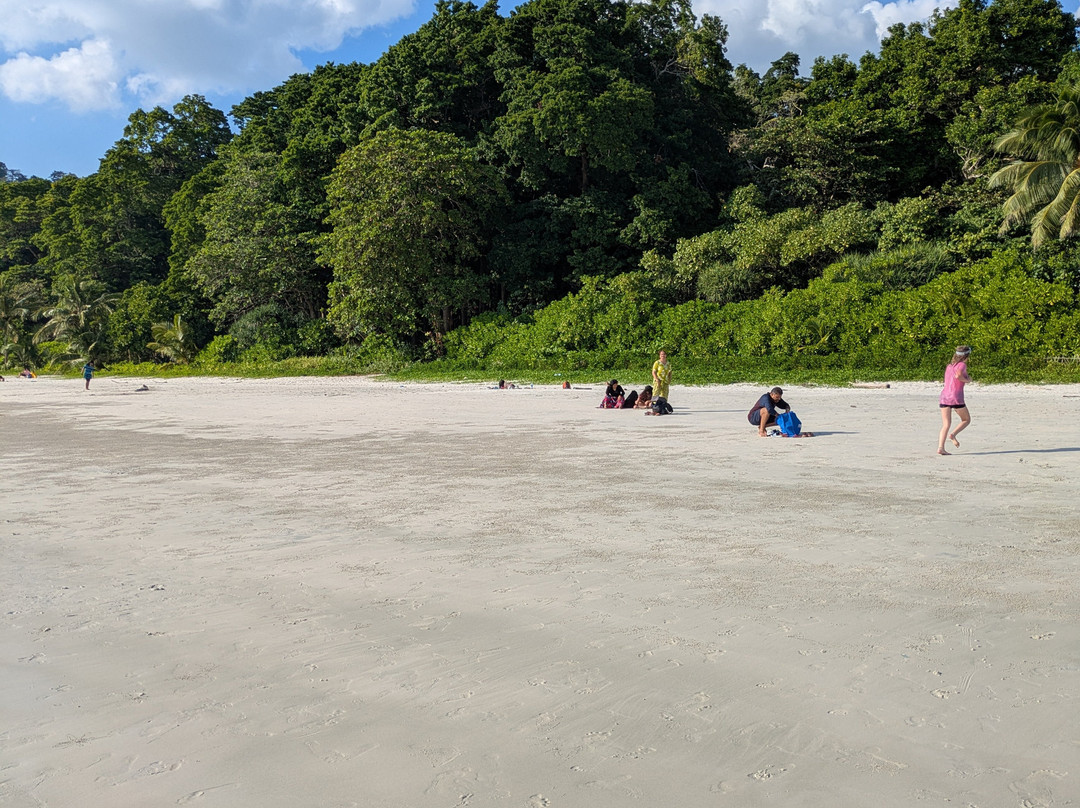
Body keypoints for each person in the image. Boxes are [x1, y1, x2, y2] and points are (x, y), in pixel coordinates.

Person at [937, 345, 972, 455]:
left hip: (944, 396)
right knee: (966, 419)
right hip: (956, 397)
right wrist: (967, 380)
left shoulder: (949, 366)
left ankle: (940, 448)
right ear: (966, 356)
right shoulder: (962, 365)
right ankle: (953, 434)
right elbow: (958, 376)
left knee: (946, 424)